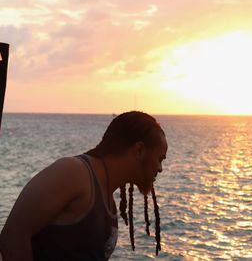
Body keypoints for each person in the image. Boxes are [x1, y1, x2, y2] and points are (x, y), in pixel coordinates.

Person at [0, 111, 168, 261]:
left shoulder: (107, 198)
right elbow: (12, 238)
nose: (160, 168)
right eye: (159, 159)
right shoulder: (74, 173)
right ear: (139, 150)